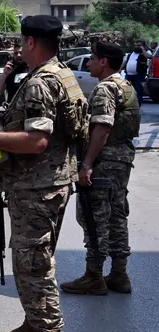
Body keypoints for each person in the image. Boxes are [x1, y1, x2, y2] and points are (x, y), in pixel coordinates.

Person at [0, 14, 88, 332]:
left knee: (33, 266)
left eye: (22, 42)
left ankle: (47, 327)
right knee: (38, 258)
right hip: (53, 181)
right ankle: (33, 323)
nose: (20, 48)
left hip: (37, 188)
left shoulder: (40, 83)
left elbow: (37, 140)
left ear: (31, 42)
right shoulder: (63, 74)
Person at [60, 42, 140, 296]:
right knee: (117, 215)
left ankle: (94, 275)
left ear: (104, 62)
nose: (90, 63)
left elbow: (102, 129)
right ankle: (119, 273)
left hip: (104, 162)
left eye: (93, 59)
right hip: (121, 161)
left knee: (95, 216)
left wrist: (86, 164)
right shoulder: (126, 86)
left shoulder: (105, 89)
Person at [123, 42, 148, 106]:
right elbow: (125, 62)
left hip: (138, 76)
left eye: (138, 45)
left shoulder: (145, 53)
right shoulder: (130, 54)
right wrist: (119, 69)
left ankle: (137, 106)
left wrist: (142, 50)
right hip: (128, 75)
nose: (136, 46)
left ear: (142, 46)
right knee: (127, 91)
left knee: (138, 91)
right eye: (135, 45)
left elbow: (148, 57)